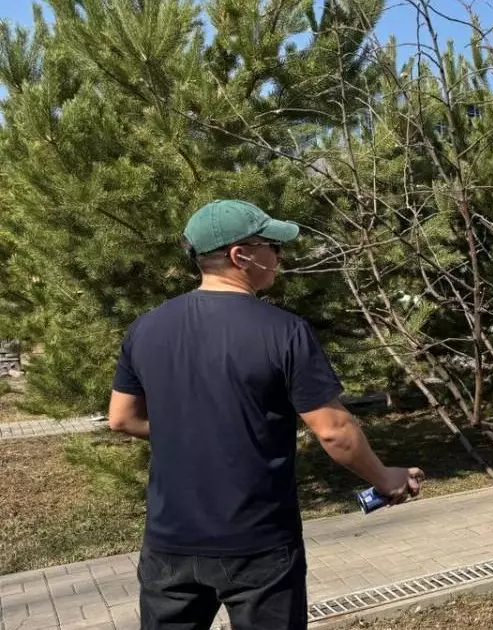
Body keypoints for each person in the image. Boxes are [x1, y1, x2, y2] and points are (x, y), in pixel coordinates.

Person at [107, 199, 424, 630]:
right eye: (273, 246)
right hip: (258, 544)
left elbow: (121, 418)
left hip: (169, 543)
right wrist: (386, 478)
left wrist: (191, 433)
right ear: (242, 255)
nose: (280, 257)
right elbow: (335, 432)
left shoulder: (145, 327)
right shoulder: (284, 331)